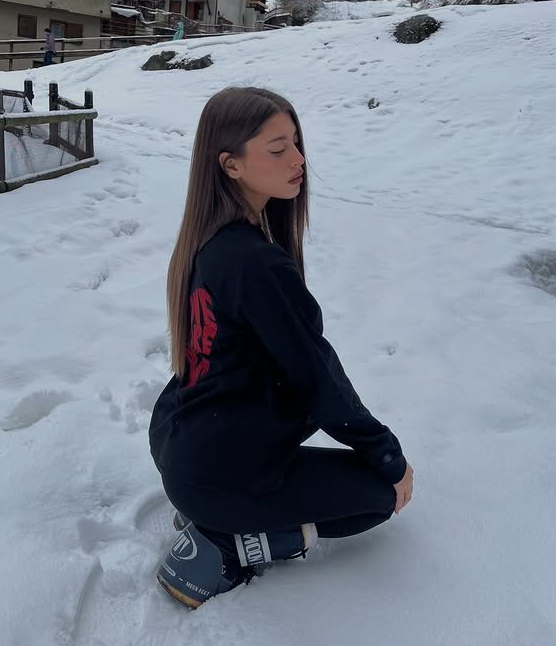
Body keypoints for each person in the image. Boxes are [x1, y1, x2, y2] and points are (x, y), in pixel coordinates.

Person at [149, 86, 413, 609]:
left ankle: (215, 511)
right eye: (277, 149)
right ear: (231, 165)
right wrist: (387, 456)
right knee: (379, 498)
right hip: (216, 473)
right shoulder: (256, 263)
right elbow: (318, 378)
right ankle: (225, 542)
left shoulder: (210, 239)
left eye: (295, 142)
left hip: (183, 447)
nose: (298, 160)